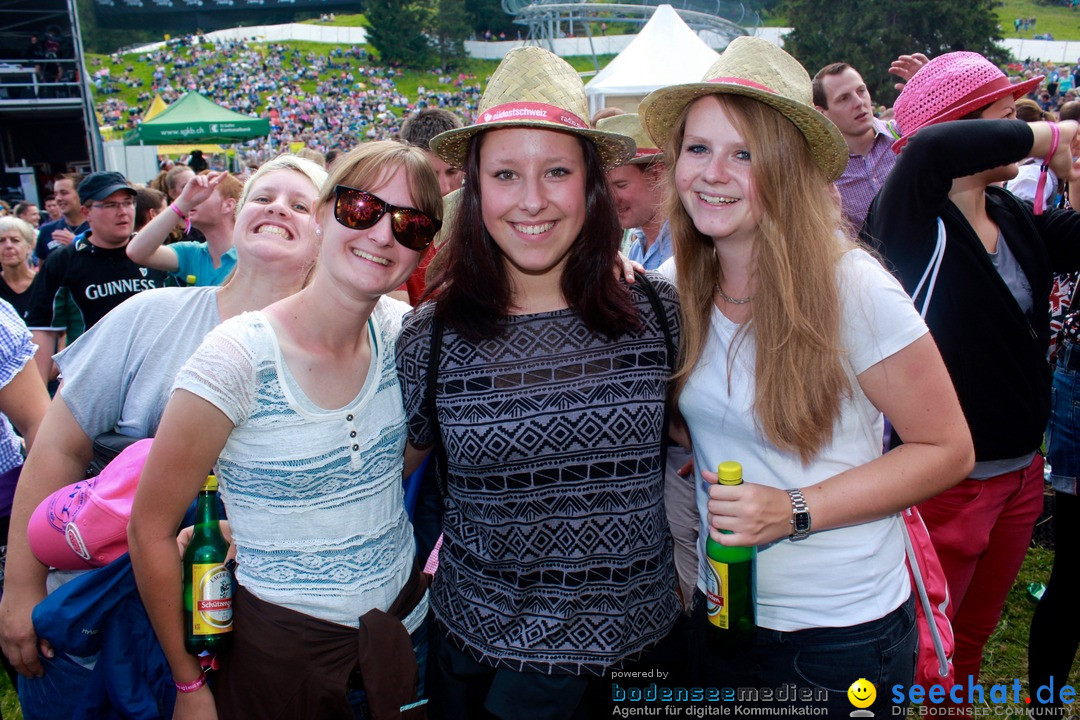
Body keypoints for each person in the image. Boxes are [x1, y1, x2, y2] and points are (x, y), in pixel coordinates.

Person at [638, 36, 973, 715]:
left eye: (745, 154)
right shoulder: (672, 290)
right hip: (724, 613)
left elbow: (947, 450)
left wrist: (793, 510)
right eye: (698, 149)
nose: (713, 173)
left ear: (788, 169)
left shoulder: (854, 290)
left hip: (838, 635)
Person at [397, 46, 684, 719]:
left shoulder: (658, 312)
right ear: (475, 188)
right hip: (486, 665)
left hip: (641, 661)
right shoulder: (430, 336)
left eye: (556, 171)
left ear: (589, 184)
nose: (531, 200)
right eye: (505, 174)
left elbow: (694, 434)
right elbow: (386, 472)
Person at [0, 155, 328, 719]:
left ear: (325, 238)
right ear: (234, 217)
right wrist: (21, 589)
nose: (278, 207)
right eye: (263, 196)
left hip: (260, 628)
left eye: (300, 204)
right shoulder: (150, 315)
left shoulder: (342, 352)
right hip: (107, 614)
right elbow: (57, 446)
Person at [129, 141, 442, 718]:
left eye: (411, 224)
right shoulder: (237, 357)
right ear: (323, 214)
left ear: (423, 248)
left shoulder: (411, 337)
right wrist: (188, 686)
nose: (381, 235)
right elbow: (148, 528)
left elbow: (390, 464)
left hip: (404, 637)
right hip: (280, 660)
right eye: (359, 208)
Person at [861, 51, 1080, 710]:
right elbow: (927, 149)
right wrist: (1053, 135)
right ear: (964, 128)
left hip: (1016, 478)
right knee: (924, 648)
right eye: (1002, 108)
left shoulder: (1012, 217)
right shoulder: (911, 221)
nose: (1018, 116)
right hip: (945, 486)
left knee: (971, 641)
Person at [23, 172, 169, 383]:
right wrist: (39, 401)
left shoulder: (157, 255)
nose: (123, 212)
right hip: (89, 380)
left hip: (151, 377)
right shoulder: (63, 261)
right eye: (110, 205)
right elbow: (44, 330)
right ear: (86, 212)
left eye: (128, 203)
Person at [126, 172, 243, 287]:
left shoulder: (249, 255)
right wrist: (183, 202)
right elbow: (136, 252)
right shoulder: (192, 254)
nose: (195, 198)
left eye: (205, 192)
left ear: (228, 205)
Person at [595, 113, 671, 270]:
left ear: (656, 174)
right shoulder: (636, 247)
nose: (611, 199)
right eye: (606, 188)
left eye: (621, 185)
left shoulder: (688, 250)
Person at [34, 174, 85, 263]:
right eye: (56, 194)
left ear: (80, 193)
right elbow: (44, 271)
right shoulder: (47, 231)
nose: (58, 198)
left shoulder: (99, 229)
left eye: (64, 193)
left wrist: (76, 243)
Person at [0, 218, 38, 318]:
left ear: (29, 247)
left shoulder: (45, 284)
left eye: (15, 240)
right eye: (1, 240)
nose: (8, 245)